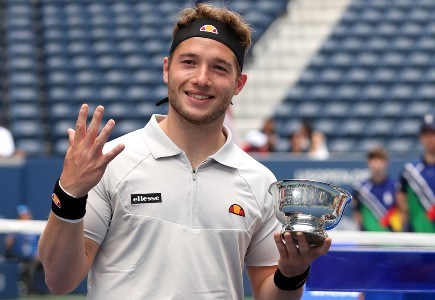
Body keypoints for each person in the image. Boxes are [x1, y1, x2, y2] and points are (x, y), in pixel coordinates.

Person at [38, 4, 329, 299]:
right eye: (189, 62)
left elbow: (269, 292)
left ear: (239, 84)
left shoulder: (259, 180)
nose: (202, 78)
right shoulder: (112, 160)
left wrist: (292, 274)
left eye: (219, 68)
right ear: (167, 69)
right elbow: (60, 280)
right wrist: (69, 194)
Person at [352, 147, 402, 232]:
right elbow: (357, 214)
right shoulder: (360, 188)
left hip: (392, 237)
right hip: (369, 238)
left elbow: (402, 210)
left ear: (386, 162)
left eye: (380, 159)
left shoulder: (396, 186)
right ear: (368, 162)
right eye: (374, 160)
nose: (377, 164)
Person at [5, 205, 41, 294]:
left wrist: (38, 253)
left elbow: (41, 243)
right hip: (19, 256)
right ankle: (25, 287)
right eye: (22, 215)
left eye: (25, 214)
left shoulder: (35, 227)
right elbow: (8, 245)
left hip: (33, 257)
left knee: (36, 262)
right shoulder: (15, 227)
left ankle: (31, 287)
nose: (24, 216)